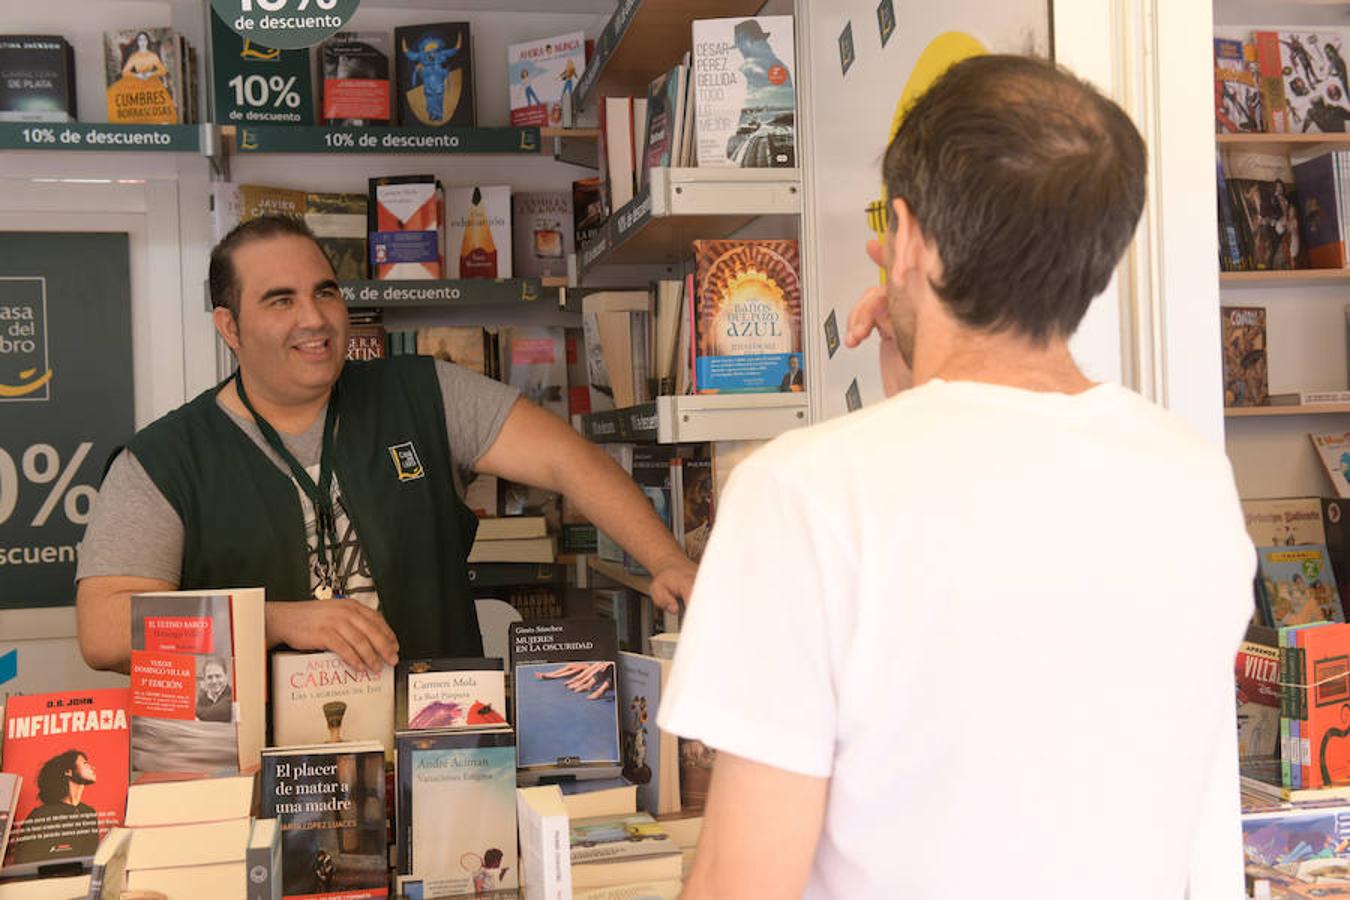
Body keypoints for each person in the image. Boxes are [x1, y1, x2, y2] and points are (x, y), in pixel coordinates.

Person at [658, 55, 1255, 898]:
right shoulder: (1193, 479)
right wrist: (918, 384)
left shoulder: (800, 496)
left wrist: (915, 391)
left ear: (905, 236)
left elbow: (742, 884)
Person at [76, 216, 695, 675]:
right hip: (265, 781)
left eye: (324, 292)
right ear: (229, 326)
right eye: (280, 300)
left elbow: (571, 459)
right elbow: (104, 629)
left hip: (442, 746)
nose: (314, 319)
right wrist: (274, 621)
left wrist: (664, 560)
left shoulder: (423, 390)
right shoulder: (161, 460)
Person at [9, 750, 100, 864]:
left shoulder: (89, 813)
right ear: (68, 771)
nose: (93, 768)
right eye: (85, 763)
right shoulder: (40, 815)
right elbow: (24, 862)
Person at [196, 656, 232, 722]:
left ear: (226, 676)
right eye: (209, 677)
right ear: (204, 679)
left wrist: (191, 710)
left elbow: (217, 713)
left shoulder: (232, 695)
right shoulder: (203, 697)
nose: (214, 681)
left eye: (218, 676)